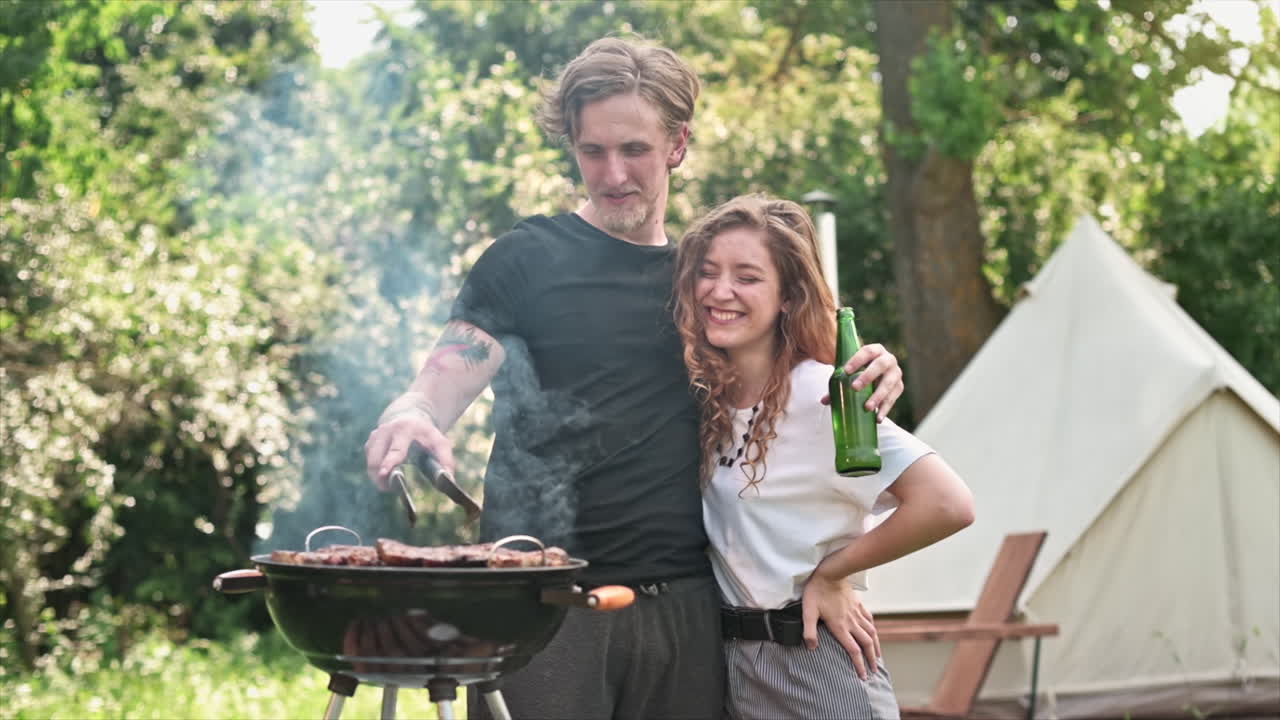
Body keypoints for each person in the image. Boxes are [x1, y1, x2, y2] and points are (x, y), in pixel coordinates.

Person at [363, 37, 905, 719]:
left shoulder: (708, 287)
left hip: (686, 609)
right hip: (543, 607)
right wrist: (410, 411)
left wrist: (870, 362)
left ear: (677, 145)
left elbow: (794, 403)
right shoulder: (524, 261)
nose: (613, 173)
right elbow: (444, 374)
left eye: (635, 150)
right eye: (593, 152)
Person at [672, 193, 976, 720]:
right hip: (732, 668)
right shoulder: (703, 406)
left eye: (747, 276)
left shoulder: (824, 395)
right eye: (708, 272)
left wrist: (833, 574)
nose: (721, 291)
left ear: (788, 296)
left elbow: (947, 502)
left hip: (817, 660)